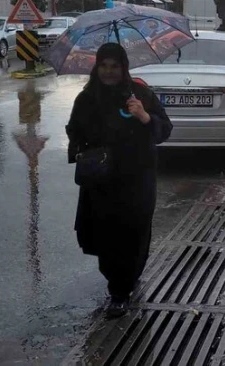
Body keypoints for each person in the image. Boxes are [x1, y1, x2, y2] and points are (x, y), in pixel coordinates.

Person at [66, 43, 173, 319]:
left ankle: (121, 290)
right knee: (106, 235)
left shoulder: (141, 95)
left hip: (136, 179)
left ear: (124, 68)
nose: (109, 72)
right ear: (96, 67)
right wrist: (81, 147)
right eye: (104, 66)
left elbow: (164, 130)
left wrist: (144, 116)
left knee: (133, 233)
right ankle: (118, 285)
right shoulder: (87, 98)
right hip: (102, 181)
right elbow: (74, 129)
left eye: (115, 66)